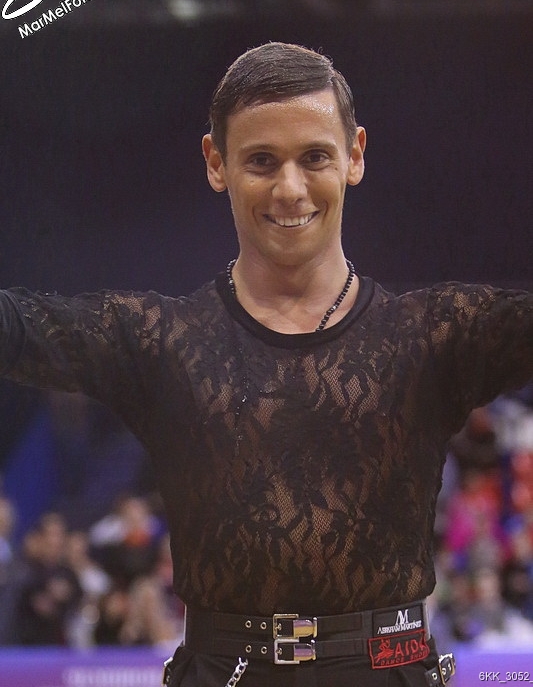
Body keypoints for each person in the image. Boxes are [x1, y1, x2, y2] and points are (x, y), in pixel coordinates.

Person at [1, 41, 532, 686]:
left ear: (355, 155)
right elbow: (17, 328)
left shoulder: (434, 336)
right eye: (261, 160)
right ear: (215, 163)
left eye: (315, 157)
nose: (289, 189)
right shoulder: (161, 342)